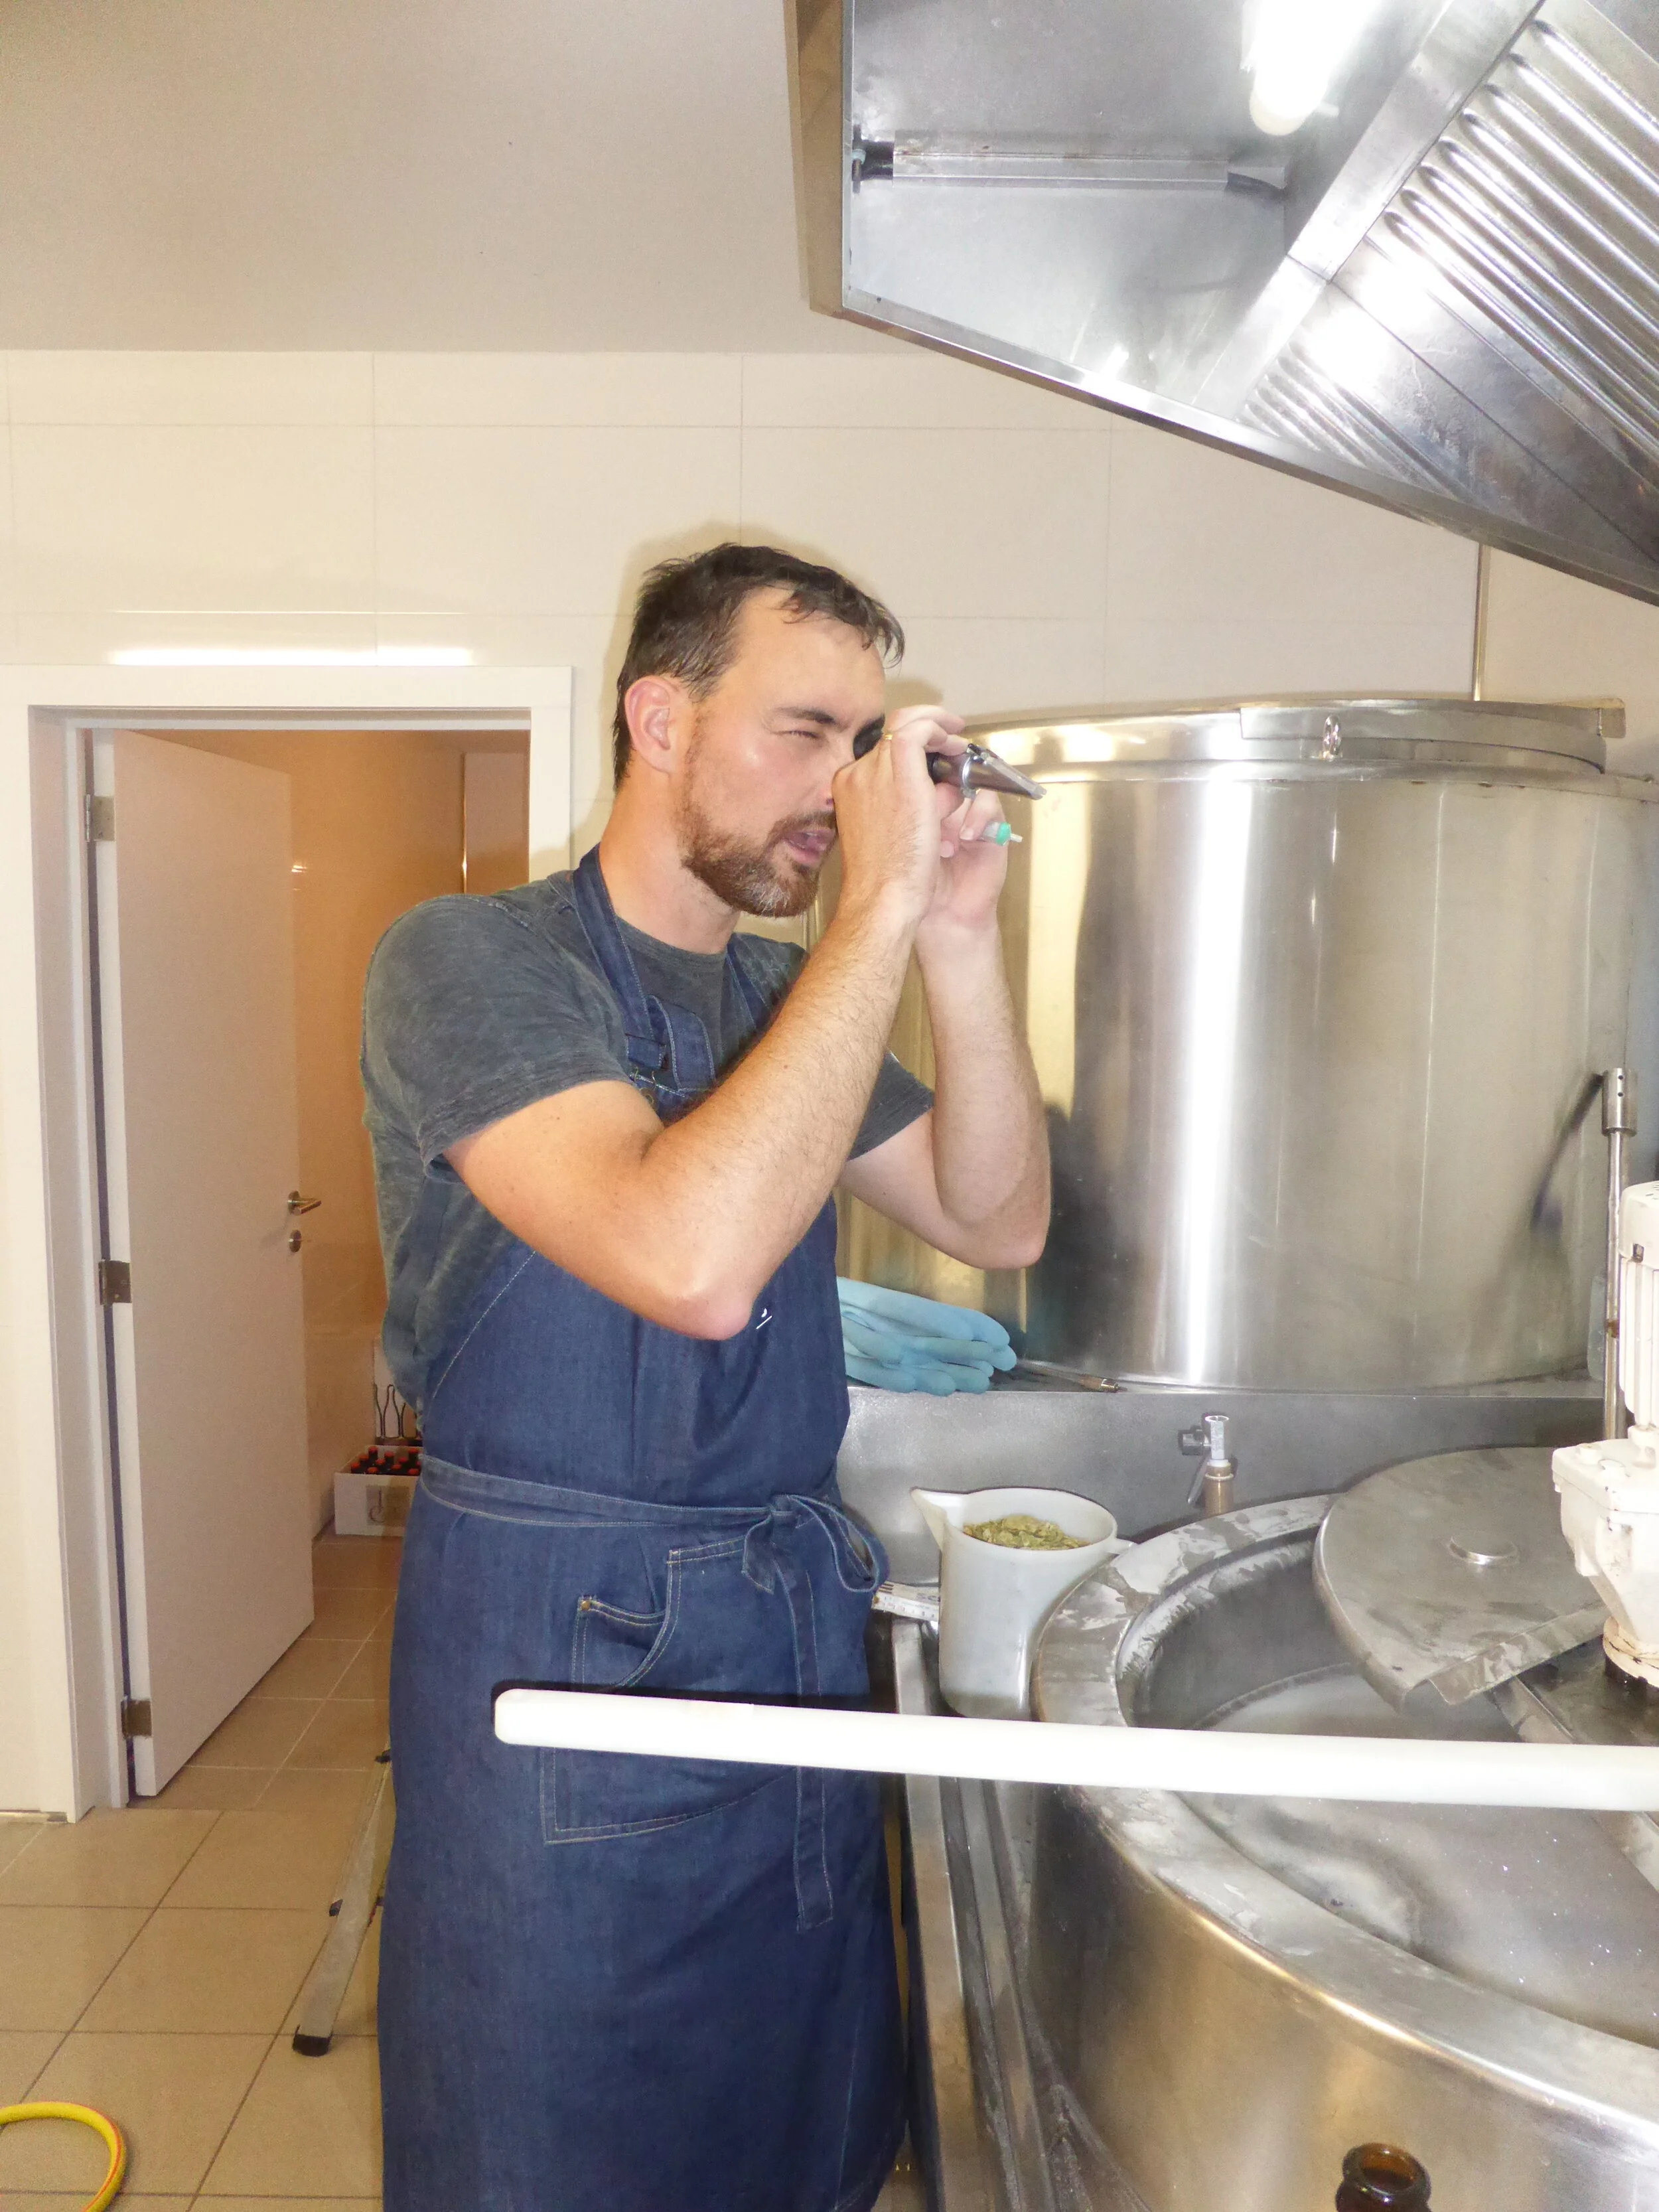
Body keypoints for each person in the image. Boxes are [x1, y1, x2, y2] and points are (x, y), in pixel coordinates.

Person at [362, 541, 1049, 2212]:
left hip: (779, 1649)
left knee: (780, 2139)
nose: (846, 790)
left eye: (871, 746)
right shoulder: (468, 963)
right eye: (807, 731)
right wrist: (875, 910)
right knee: (562, 2143)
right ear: (656, 718)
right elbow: (687, 1256)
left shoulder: (774, 993)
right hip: (563, 1647)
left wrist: (950, 939)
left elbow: (996, 1212)